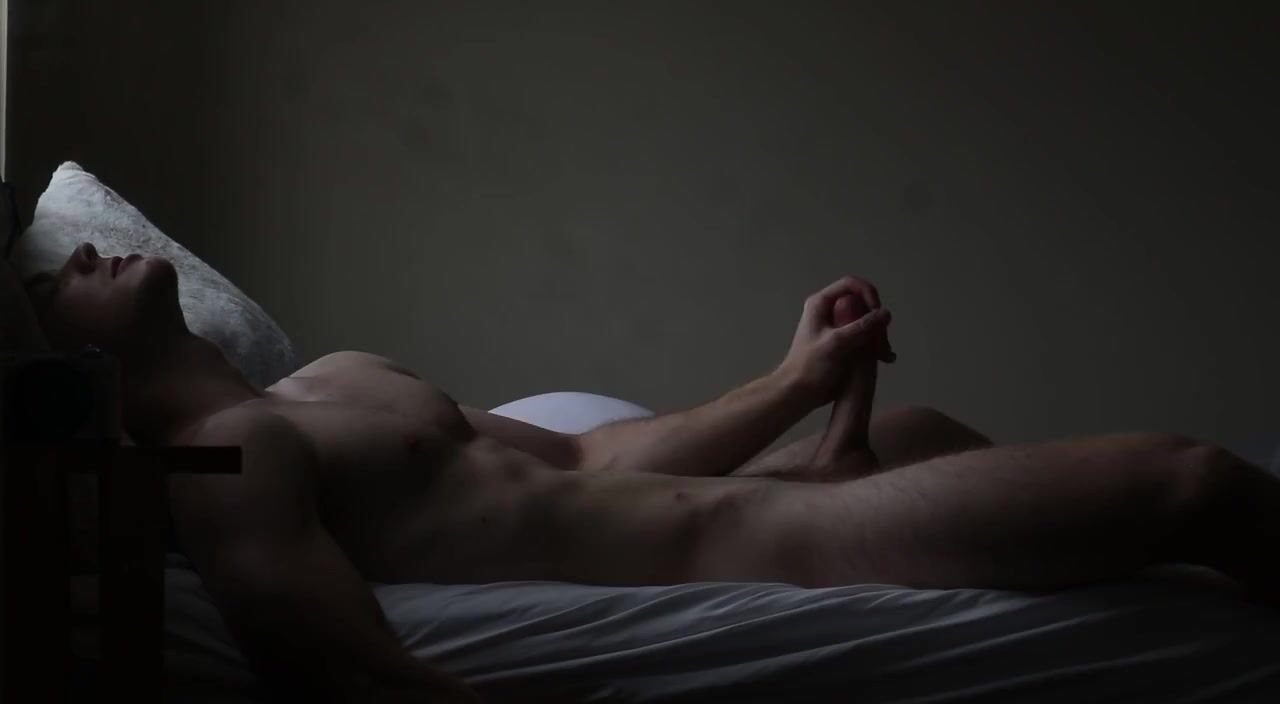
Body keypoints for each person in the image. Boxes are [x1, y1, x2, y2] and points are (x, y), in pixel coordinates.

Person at [22, 242, 1280, 702]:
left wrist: (796, 378)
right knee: (1192, 482)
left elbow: (588, 452)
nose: (69, 258)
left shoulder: (334, 380)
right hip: (769, 548)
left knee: (916, 426)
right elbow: (338, 657)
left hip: (752, 498)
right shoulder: (218, 456)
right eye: (42, 282)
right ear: (59, 362)